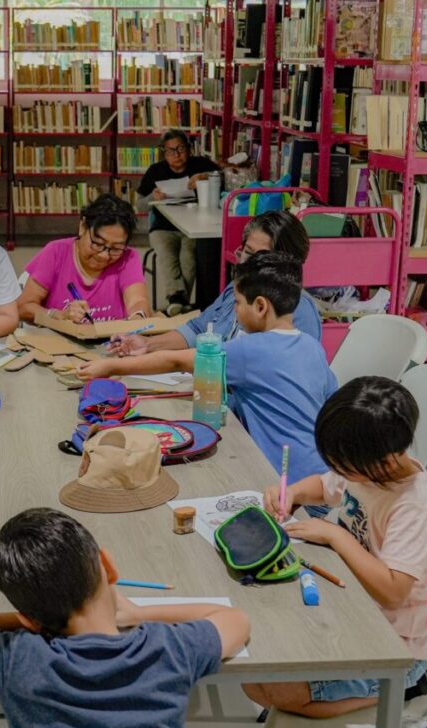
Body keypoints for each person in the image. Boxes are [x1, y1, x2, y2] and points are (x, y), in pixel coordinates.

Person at [0, 508, 250, 728]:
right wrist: (141, 614)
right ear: (108, 566)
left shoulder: (20, 658)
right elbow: (235, 621)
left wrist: (34, 621)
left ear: (28, 620)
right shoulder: (168, 648)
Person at [244, 376, 427, 718]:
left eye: (344, 465)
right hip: (351, 606)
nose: (338, 471)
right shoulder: (367, 467)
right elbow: (324, 486)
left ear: (387, 460)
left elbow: (394, 592)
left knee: (279, 691)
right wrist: (293, 494)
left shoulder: (414, 505)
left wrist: (337, 537)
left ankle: (399, 693)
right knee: (252, 674)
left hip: (394, 647)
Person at [77, 251, 337, 491]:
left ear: (260, 306)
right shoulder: (312, 347)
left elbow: (175, 361)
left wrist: (110, 366)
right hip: (321, 479)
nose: (234, 310)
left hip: (283, 483)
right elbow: (331, 401)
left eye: (237, 302)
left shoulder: (249, 349)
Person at [109, 210, 322, 357]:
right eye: (247, 253)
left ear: (287, 263)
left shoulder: (298, 310)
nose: (249, 263)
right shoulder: (237, 289)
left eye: (262, 257)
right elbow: (198, 329)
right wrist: (148, 344)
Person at [18, 193, 150, 324]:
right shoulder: (56, 252)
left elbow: (137, 301)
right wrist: (58, 315)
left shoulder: (128, 258)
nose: (104, 255)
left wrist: (138, 318)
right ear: (82, 227)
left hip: (112, 343)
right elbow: (23, 307)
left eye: (116, 248)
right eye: (98, 243)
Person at [136, 129, 221, 315]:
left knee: (189, 257)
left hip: (193, 226)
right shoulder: (155, 171)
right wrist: (153, 196)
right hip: (163, 227)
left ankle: (178, 302)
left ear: (189, 149)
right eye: (171, 151)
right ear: (164, 153)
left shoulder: (200, 164)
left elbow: (225, 174)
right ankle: (176, 298)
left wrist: (206, 176)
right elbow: (139, 205)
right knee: (167, 256)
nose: (177, 155)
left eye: (181, 149)